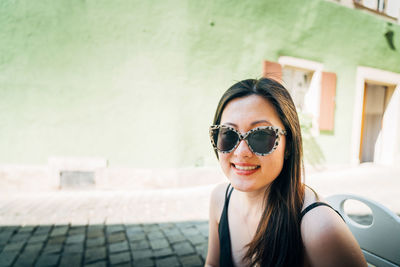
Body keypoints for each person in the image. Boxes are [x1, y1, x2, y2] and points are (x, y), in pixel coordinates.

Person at [205, 78, 367, 267]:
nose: (241, 152)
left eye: (261, 135)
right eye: (228, 134)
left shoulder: (320, 227)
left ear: (288, 145)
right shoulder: (219, 198)